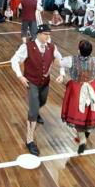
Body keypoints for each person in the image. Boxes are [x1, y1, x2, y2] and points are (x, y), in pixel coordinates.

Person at [10, 23, 65, 156]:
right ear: (39, 34)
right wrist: (20, 76)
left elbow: (60, 59)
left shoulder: (52, 47)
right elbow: (14, 60)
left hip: (45, 82)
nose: (48, 37)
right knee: (33, 110)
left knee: (43, 101)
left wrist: (62, 73)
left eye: (49, 35)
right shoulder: (27, 47)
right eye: (46, 34)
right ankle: (29, 140)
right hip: (32, 82)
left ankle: (36, 112)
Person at [60, 39, 95, 154]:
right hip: (91, 87)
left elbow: (59, 62)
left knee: (78, 113)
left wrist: (62, 74)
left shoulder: (71, 60)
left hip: (76, 88)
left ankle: (82, 139)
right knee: (89, 110)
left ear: (79, 50)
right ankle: (87, 130)